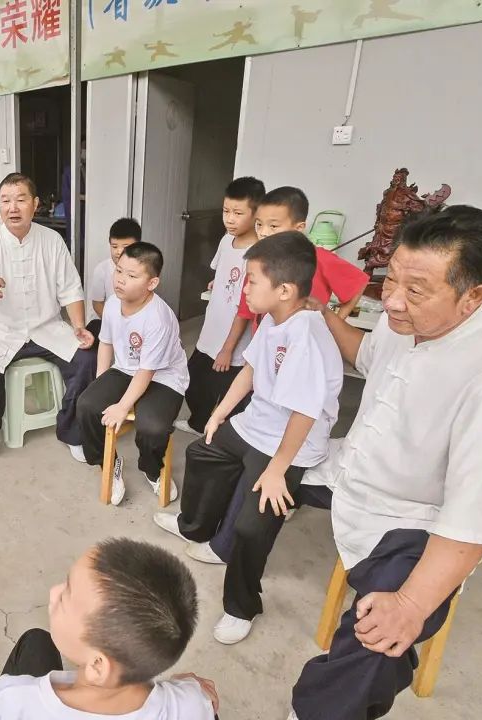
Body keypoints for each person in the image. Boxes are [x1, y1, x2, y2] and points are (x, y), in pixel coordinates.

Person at [288, 206, 482, 720]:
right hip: (347, 472)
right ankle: (232, 572)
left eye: (416, 290)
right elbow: (366, 355)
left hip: (415, 520)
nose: (392, 300)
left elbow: (472, 517)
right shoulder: (401, 320)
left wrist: (409, 606)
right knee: (255, 463)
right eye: (391, 280)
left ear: (474, 296)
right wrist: (322, 314)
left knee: (381, 636)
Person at [154, 232, 343, 646]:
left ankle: (241, 607)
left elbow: (305, 413)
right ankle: (195, 528)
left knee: (252, 528)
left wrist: (277, 471)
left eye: (252, 280)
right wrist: (219, 413)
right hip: (255, 424)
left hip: (289, 445)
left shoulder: (306, 335)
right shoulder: (274, 319)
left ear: (285, 289)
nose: (245, 288)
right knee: (202, 452)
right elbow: (252, 370)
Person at [0, 538, 219, 719]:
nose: (53, 593)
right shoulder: (192, 703)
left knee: (36, 640)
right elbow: (202, 703)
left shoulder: (14, 700)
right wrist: (187, 689)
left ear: (97, 666)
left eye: (66, 596)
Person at [0, 173, 96, 467]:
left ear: (35, 204)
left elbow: (71, 289)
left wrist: (78, 326)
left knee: (87, 359)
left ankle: (72, 431)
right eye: (6, 201)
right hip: (2, 331)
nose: (13, 207)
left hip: (47, 328)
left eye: (20, 200)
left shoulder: (52, 240)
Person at [76, 242, 188, 506]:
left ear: (152, 283)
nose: (120, 280)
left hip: (163, 376)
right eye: (119, 271)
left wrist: (122, 405)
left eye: (132, 275)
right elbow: (105, 343)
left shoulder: (158, 318)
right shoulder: (113, 304)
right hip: (126, 369)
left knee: (152, 427)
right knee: (87, 405)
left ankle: (152, 469)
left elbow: (147, 371)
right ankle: (109, 463)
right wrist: (100, 382)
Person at [176, 176, 265, 437]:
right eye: (226, 211)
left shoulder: (258, 253)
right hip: (211, 330)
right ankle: (198, 424)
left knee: (228, 390)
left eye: (238, 213)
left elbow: (245, 310)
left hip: (234, 340)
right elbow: (224, 269)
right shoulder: (227, 240)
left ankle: (223, 434)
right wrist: (220, 280)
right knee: (194, 381)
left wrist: (228, 349)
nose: (230, 219)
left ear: (256, 213)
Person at [233, 186, 368, 332]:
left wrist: (333, 327)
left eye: (273, 226)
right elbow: (244, 311)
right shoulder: (258, 261)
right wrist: (229, 345)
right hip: (264, 340)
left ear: (298, 228)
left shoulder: (318, 257)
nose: (263, 232)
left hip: (303, 339)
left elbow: (358, 284)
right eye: (259, 224)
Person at [85, 217, 141, 341]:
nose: (119, 252)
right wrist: (115, 324)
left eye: (125, 247)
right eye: (114, 246)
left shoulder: (143, 270)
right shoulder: (102, 269)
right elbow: (97, 304)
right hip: (104, 320)